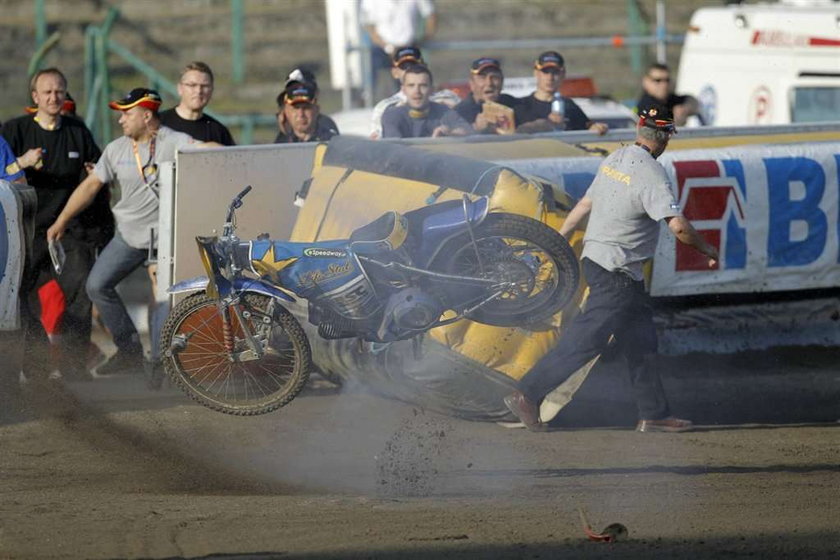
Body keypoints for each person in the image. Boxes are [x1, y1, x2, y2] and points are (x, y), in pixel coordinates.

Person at [504, 109, 719, 433]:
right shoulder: (652, 174)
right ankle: (528, 392)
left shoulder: (614, 159)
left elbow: (584, 205)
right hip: (617, 271)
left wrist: (559, 240)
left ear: (638, 128)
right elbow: (678, 227)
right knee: (587, 338)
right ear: (669, 136)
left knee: (641, 342)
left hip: (606, 265)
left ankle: (654, 413)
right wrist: (707, 249)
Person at [46, 88, 206, 377]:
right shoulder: (117, 148)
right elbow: (90, 186)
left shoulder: (174, 141)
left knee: (162, 300)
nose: (121, 120)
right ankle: (130, 349)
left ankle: (162, 364)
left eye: (127, 113)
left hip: (164, 240)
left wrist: (242, 158)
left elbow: (206, 150)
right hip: (128, 237)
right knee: (96, 285)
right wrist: (62, 220)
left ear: (146, 116)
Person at [2, 68, 113, 383]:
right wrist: (20, 163)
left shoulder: (77, 130)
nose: (54, 97)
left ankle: (74, 365)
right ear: (35, 97)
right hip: (27, 231)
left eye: (59, 91)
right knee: (20, 297)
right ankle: (35, 364)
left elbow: (98, 175)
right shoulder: (15, 131)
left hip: (68, 230)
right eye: (47, 92)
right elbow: (4, 172)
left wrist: (94, 172)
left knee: (82, 292)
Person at [369, 46, 461, 139]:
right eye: (404, 66)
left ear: (425, 67)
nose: (410, 70)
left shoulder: (448, 97)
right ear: (395, 73)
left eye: (415, 65)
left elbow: (467, 130)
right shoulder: (385, 107)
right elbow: (379, 142)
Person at [514, 51, 608, 135]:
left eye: (555, 72)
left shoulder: (570, 106)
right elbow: (513, 135)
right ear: (536, 72)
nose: (550, 77)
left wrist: (597, 129)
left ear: (563, 74)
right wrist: (547, 124)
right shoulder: (521, 106)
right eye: (545, 71)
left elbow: (588, 130)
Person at [360, 0, 437, 97]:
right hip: (381, 49)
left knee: (408, 85)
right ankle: (367, 100)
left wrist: (425, 39)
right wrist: (388, 47)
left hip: (408, 48)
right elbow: (369, 26)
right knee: (371, 74)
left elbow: (431, 14)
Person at [381, 64, 472, 139]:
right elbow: (396, 149)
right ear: (403, 90)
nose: (417, 91)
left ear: (432, 90)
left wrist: (450, 132)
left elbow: (469, 132)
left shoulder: (443, 112)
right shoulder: (392, 115)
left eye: (423, 86)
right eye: (411, 86)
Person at [160, 61, 236, 145]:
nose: (198, 91)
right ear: (180, 89)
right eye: (192, 85)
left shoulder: (219, 131)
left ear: (211, 90)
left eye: (205, 86)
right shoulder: (158, 124)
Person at [453, 57, 519, 134]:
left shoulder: (514, 105)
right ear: (472, 83)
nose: (489, 83)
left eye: (494, 77)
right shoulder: (459, 113)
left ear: (502, 82)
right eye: (482, 78)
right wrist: (475, 128)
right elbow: (449, 138)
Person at [636, 63, 700, 126]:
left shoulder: (670, 99)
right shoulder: (645, 104)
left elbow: (693, 101)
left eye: (667, 80)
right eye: (658, 80)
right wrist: (675, 119)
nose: (664, 85)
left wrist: (685, 109)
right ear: (646, 81)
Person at [274, 82, 339, 143]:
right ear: (286, 111)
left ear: (317, 110)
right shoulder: (280, 144)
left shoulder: (331, 142)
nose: (301, 114)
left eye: (306, 108)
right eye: (296, 108)